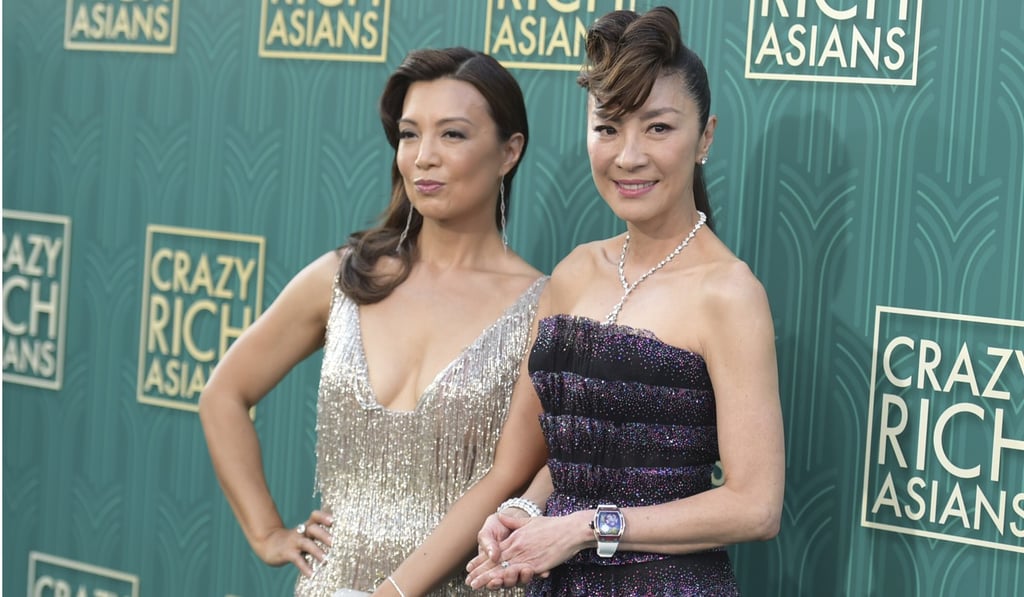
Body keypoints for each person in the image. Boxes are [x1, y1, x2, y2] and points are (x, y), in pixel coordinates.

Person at [199, 47, 549, 597]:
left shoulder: (541, 307)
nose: (423, 157)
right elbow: (222, 395)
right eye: (410, 135)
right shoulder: (343, 279)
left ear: (509, 152)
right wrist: (268, 532)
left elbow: (513, 478)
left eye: (452, 135)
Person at [464, 6, 784, 595]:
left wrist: (587, 528)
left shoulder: (729, 292)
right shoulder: (574, 272)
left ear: (705, 135)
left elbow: (756, 506)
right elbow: (573, 457)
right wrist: (528, 514)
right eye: (608, 128)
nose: (628, 155)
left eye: (658, 128)